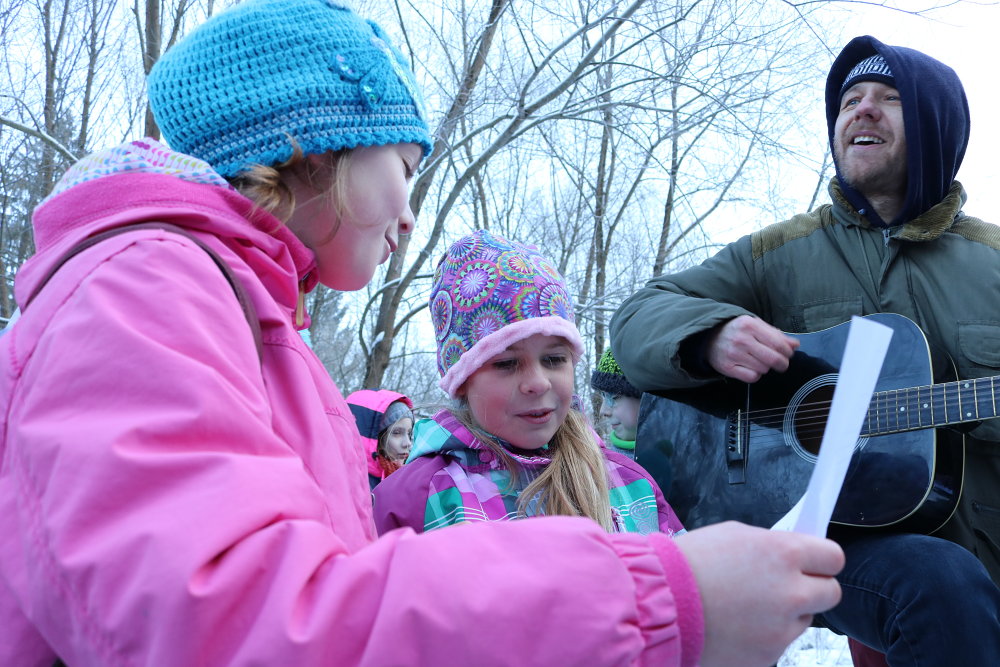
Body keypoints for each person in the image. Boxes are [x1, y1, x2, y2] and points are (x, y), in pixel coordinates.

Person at [0, 2, 846, 664]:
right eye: (405, 170)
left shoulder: (245, 321)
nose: (409, 216)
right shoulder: (143, 287)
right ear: (313, 147)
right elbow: (225, 621)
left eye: (556, 356)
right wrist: (657, 598)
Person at [610, 35, 1000, 665]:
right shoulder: (777, 254)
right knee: (939, 581)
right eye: (850, 99)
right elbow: (636, 318)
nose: (862, 109)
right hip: (829, 538)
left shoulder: (994, 263)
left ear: (935, 125)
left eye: (889, 98)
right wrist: (709, 334)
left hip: (984, 546)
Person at [373, 230, 684, 537]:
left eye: (554, 359)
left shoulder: (630, 484)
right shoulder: (414, 501)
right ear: (462, 379)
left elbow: (676, 567)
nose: (538, 383)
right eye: (506, 363)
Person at [346, 389, 415, 489]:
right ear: (375, 437)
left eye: (409, 434)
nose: (408, 443)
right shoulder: (352, 485)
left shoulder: (402, 479)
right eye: (397, 433)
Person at [591, 346, 643, 460]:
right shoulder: (604, 465)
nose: (603, 411)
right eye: (603, 396)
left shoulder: (679, 458)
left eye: (614, 397)